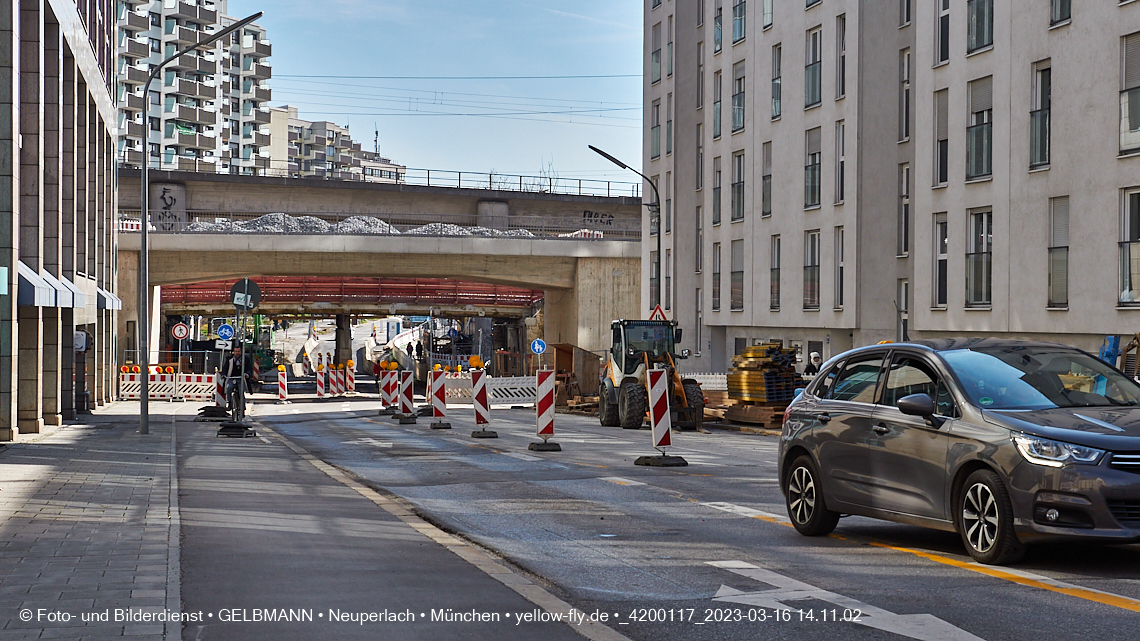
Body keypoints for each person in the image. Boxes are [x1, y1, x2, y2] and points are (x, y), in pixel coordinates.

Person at [221, 345, 256, 411]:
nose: (237, 353)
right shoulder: (229, 359)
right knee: (228, 388)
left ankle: (242, 406)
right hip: (231, 377)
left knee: (241, 391)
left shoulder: (245, 359)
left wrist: (248, 374)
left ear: (241, 351)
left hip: (241, 378)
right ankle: (229, 402)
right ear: (233, 352)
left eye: (238, 351)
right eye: (236, 351)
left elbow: (249, 368)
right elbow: (225, 368)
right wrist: (223, 374)